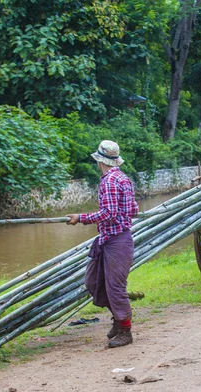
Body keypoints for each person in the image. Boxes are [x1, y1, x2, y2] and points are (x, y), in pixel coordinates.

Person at [66, 140, 139, 348]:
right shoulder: (124, 178)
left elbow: (109, 213)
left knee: (115, 287)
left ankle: (125, 331)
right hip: (109, 239)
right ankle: (118, 319)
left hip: (117, 241)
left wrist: (80, 218)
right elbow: (133, 208)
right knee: (93, 282)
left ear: (99, 160)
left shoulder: (108, 181)